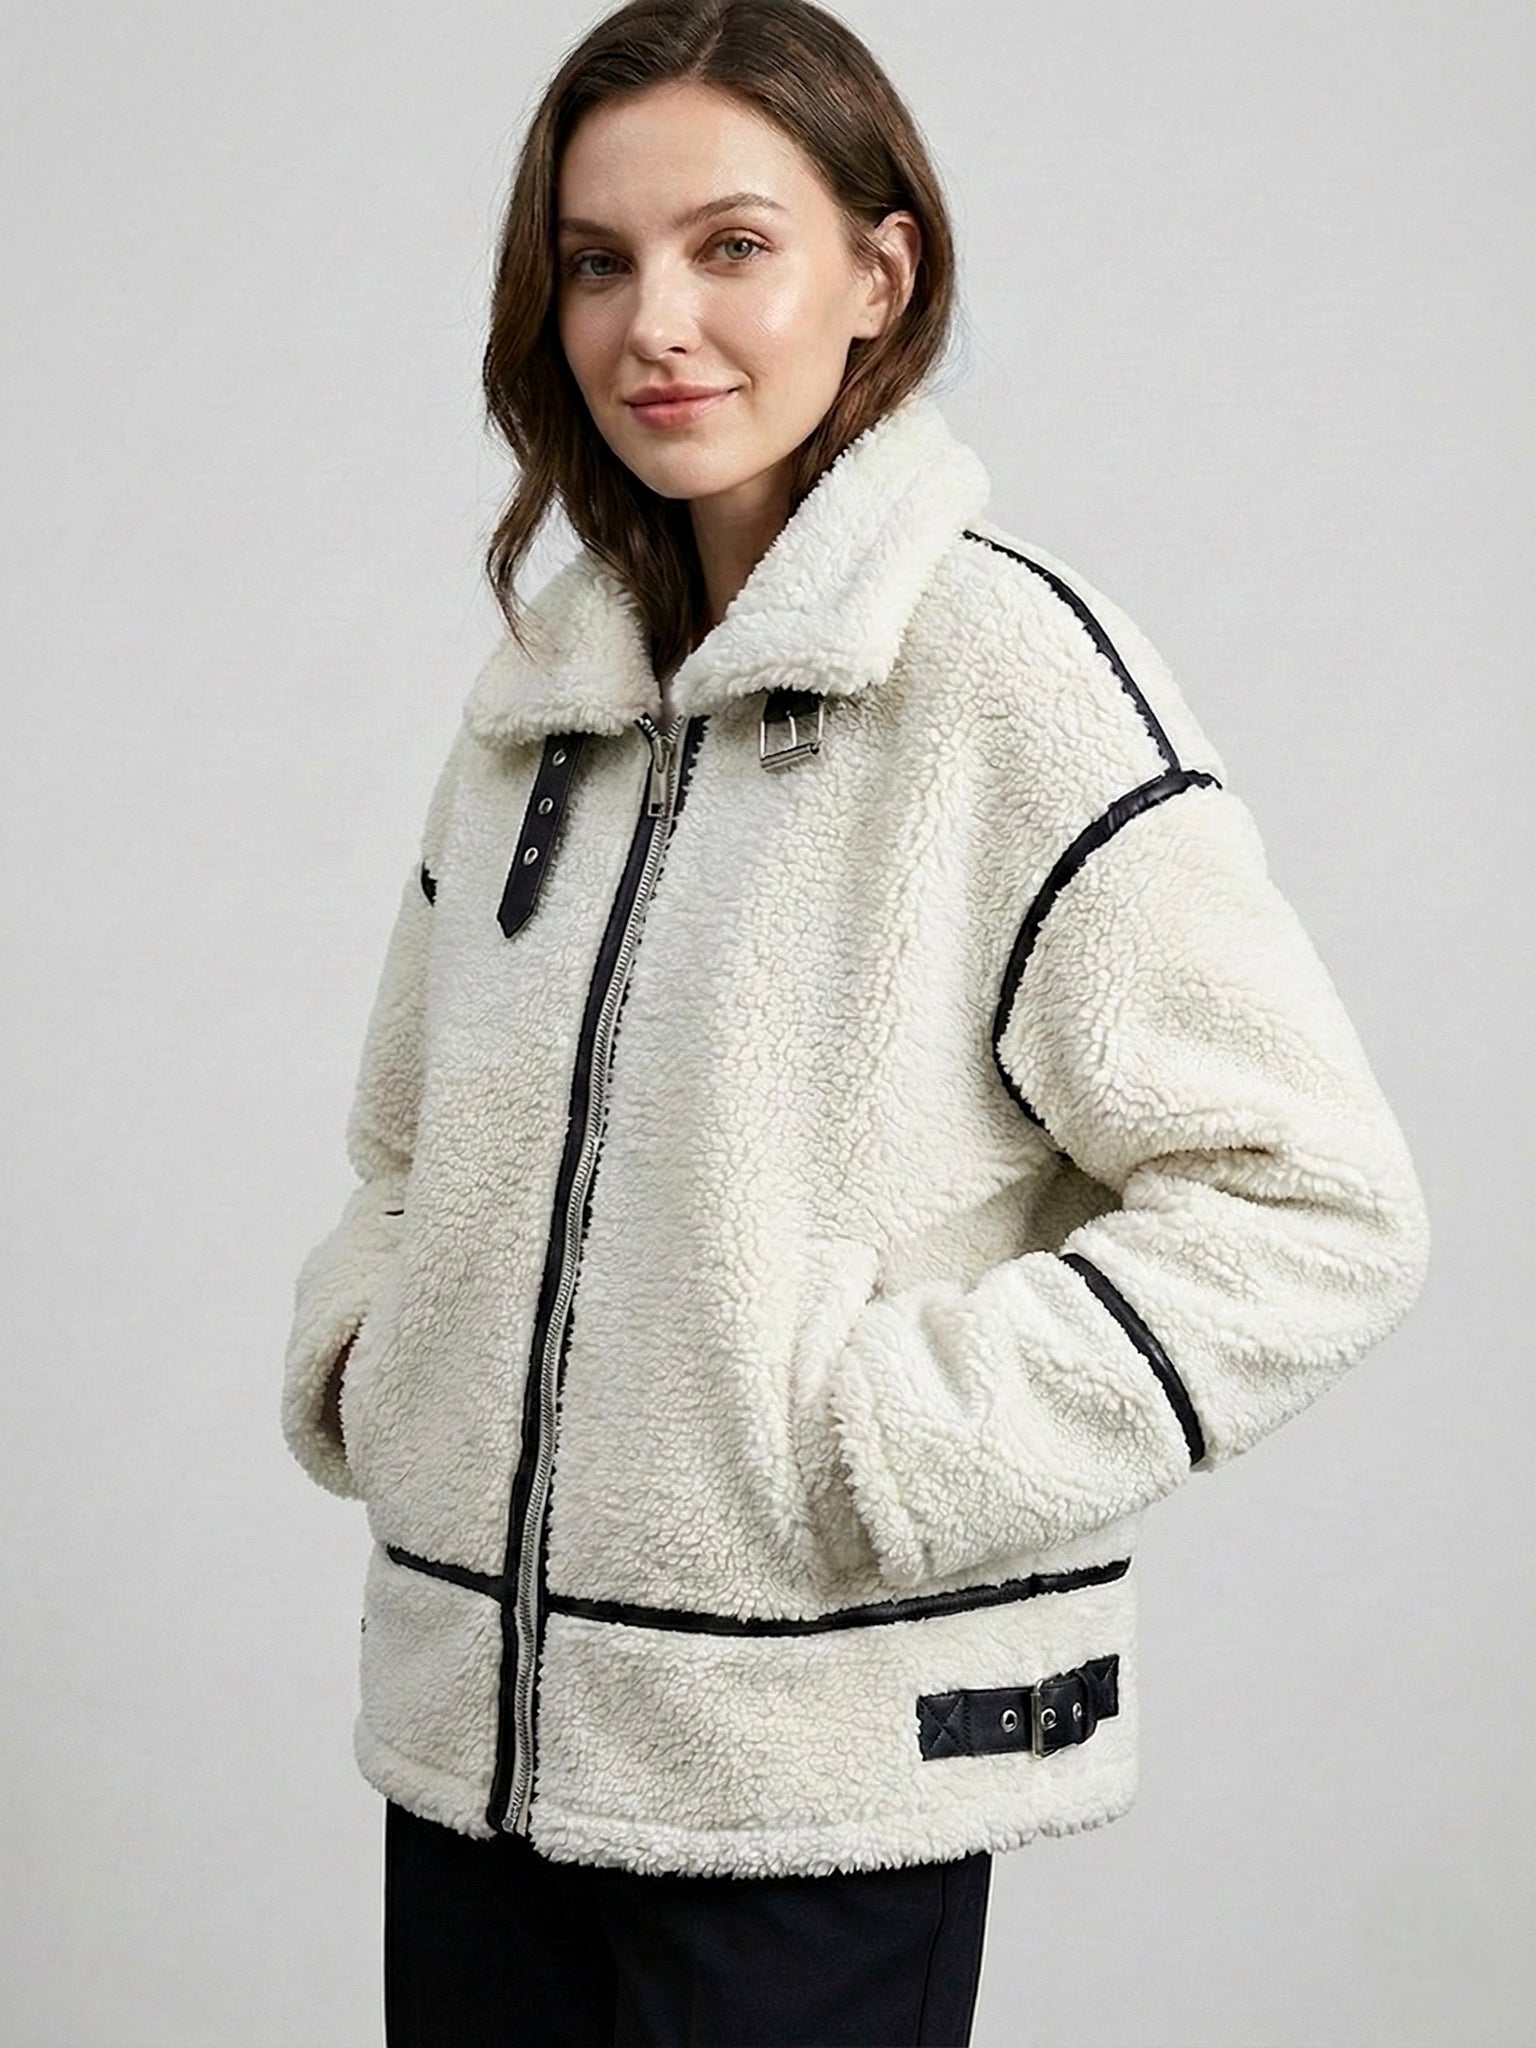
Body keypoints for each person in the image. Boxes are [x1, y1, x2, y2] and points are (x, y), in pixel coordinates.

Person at [279, 2, 1432, 2042]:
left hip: (806, 1781)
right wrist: (385, 1358)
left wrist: (880, 1452)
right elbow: (410, 1144)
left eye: (733, 246)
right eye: (599, 262)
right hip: (475, 1760)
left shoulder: (1001, 671)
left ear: (877, 276)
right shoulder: (539, 707)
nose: (656, 325)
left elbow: (1312, 1204)